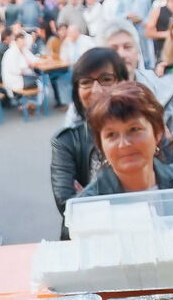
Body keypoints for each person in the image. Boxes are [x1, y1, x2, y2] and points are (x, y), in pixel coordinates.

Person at [79, 81, 173, 197]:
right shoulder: (89, 204)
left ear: (157, 132)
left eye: (134, 129)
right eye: (111, 135)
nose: (124, 144)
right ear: (101, 144)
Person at [50, 48, 130, 218]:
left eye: (106, 79)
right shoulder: (66, 141)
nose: (96, 90)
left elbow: (153, 194)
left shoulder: (141, 132)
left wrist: (88, 195)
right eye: (86, 82)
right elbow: (68, 207)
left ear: (123, 83)